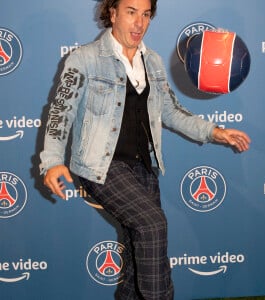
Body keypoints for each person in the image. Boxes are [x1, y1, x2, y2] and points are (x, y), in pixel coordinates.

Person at [40, 0, 251, 299]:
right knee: (152, 226)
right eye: (130, 12)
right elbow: (61, 112)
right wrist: (52, 161)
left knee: (138, 259)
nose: (139, 22)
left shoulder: (151, 61)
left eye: (146, 14)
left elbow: (171, 111)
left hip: (144, 169)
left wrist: (215, 132)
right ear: (112, 13)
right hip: (102, 167)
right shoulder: (83, 59)